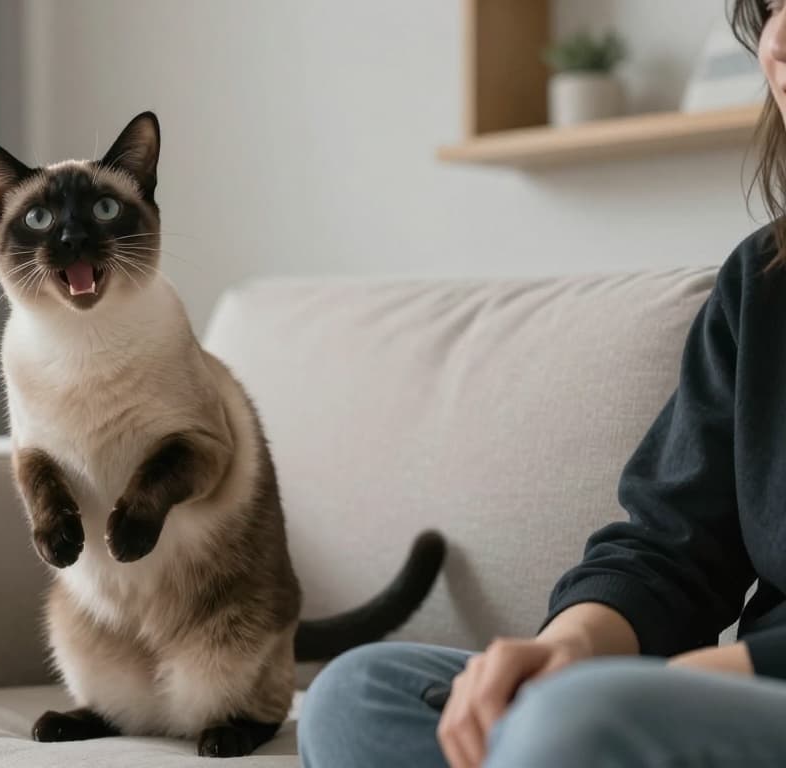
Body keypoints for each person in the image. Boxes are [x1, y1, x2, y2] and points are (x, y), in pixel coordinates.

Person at [298, 3, 786, 766]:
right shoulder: (761, 285)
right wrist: (566, 649)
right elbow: (671, 548)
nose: (778, 38)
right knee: (359, 698)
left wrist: (686, 681)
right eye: (773, 8)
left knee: (575, 726)